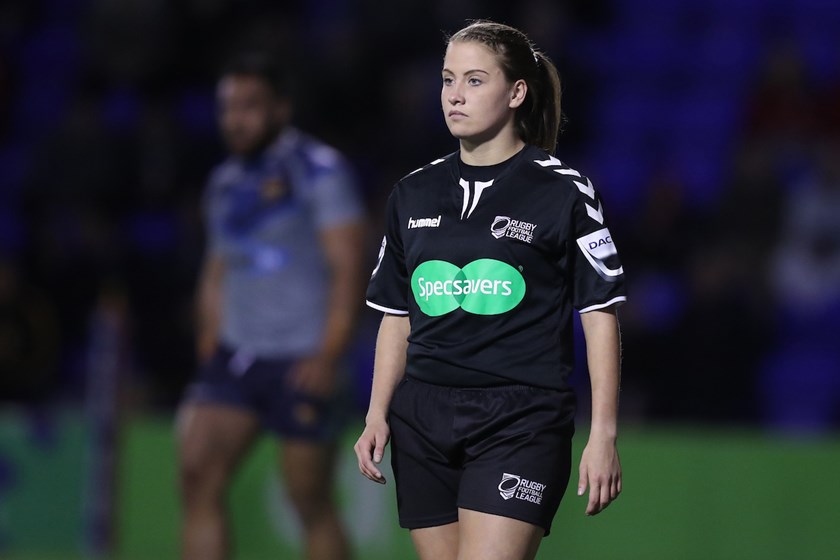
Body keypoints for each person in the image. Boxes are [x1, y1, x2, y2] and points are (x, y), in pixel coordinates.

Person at [354, 20, 625, 560]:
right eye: (447, 79)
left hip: (521, 420)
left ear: (517, 92)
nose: (454, 95)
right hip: (421, 418)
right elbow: (396, 314)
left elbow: (599, 314)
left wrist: (604, 433)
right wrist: (376, 412)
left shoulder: (564, 191)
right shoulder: (411, 192)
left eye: (474, 80)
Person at [176, 53, 365, 560]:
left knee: (309, 499)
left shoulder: (319, 172)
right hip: (237, 355)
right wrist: (209, 341)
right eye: (227, 107)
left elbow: (349, 267)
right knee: (197, 477)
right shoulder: (223, 183)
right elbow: (217, 270)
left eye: (249, 106)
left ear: (280, 109)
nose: (235, 119)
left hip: (304, 358)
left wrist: (329, 354)